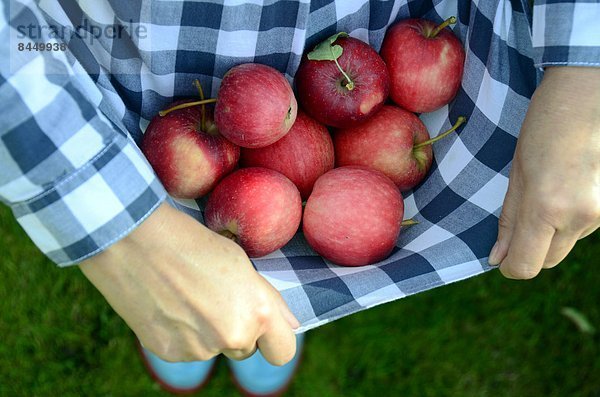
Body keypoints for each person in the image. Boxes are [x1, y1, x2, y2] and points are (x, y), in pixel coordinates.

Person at [1, 0, 598, 395]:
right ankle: (183, 305)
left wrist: (584, 73)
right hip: (136, 87)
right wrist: (126, 239)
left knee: (280, 256)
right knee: (186, 252)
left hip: (359, 36)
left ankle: (271, 309)